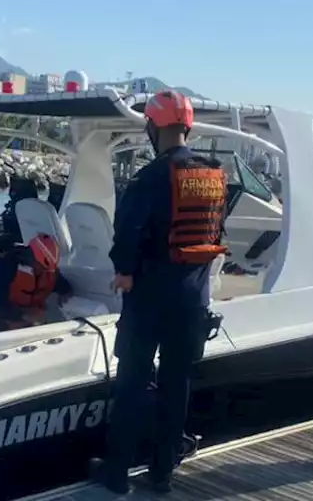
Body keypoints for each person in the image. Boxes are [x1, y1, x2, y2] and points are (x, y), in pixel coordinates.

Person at [89, 90, 227, 495]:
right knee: (176, 384)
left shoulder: (149, 177)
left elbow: (127, 231)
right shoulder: (213, 175)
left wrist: (124, 272)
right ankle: (163, 471)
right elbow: (216, 233)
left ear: (153, 126)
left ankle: (116, 473)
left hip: (150, 298)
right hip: (193, 299)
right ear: (186, 126)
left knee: (133, 383)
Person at [0, 233, 74, 334]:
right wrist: (24, 314)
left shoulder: (50, 272)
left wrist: (66, 293)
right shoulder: (4, 265)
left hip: (28, 326)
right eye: (39, 266)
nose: (41, 271)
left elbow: (63, 286)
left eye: (46, 269)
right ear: (30, 256)